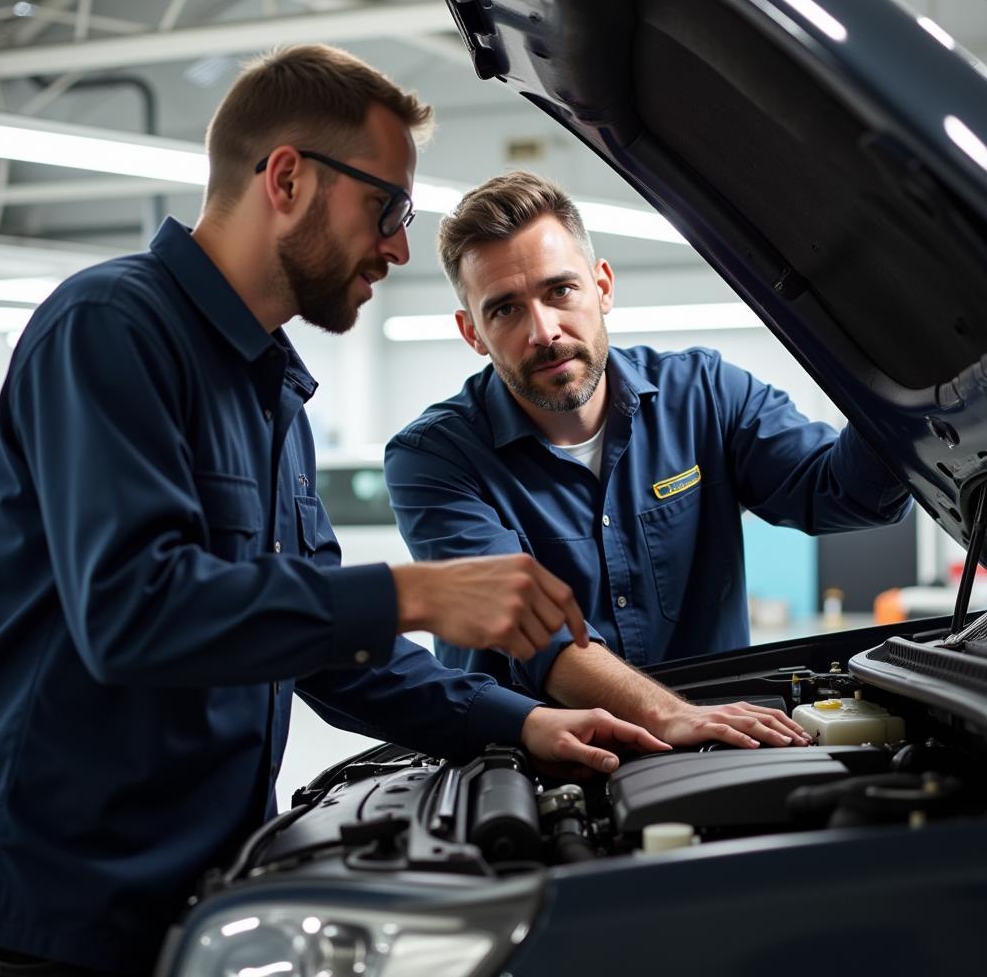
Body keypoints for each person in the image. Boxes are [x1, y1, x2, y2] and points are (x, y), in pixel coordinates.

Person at [0, 51, 664, 977]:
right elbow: (131, 611)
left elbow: (329, 648)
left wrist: (524, 724)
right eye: (389, 209)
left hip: (196, 898)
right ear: (288, 178)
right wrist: (413, 593)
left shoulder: (273, 395)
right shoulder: (109, 328)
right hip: (54, 919)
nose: (399, 247)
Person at [385, 171, 912, 749]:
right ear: (473, 333)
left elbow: (845, 492)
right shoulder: (434, 458)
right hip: (532, 770)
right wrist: (664, 714)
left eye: (560, 291)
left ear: (602, 286)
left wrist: (900, 371)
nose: (543, 331)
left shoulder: (706, 396)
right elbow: (535, 636)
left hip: (718, 744)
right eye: (506, 310)